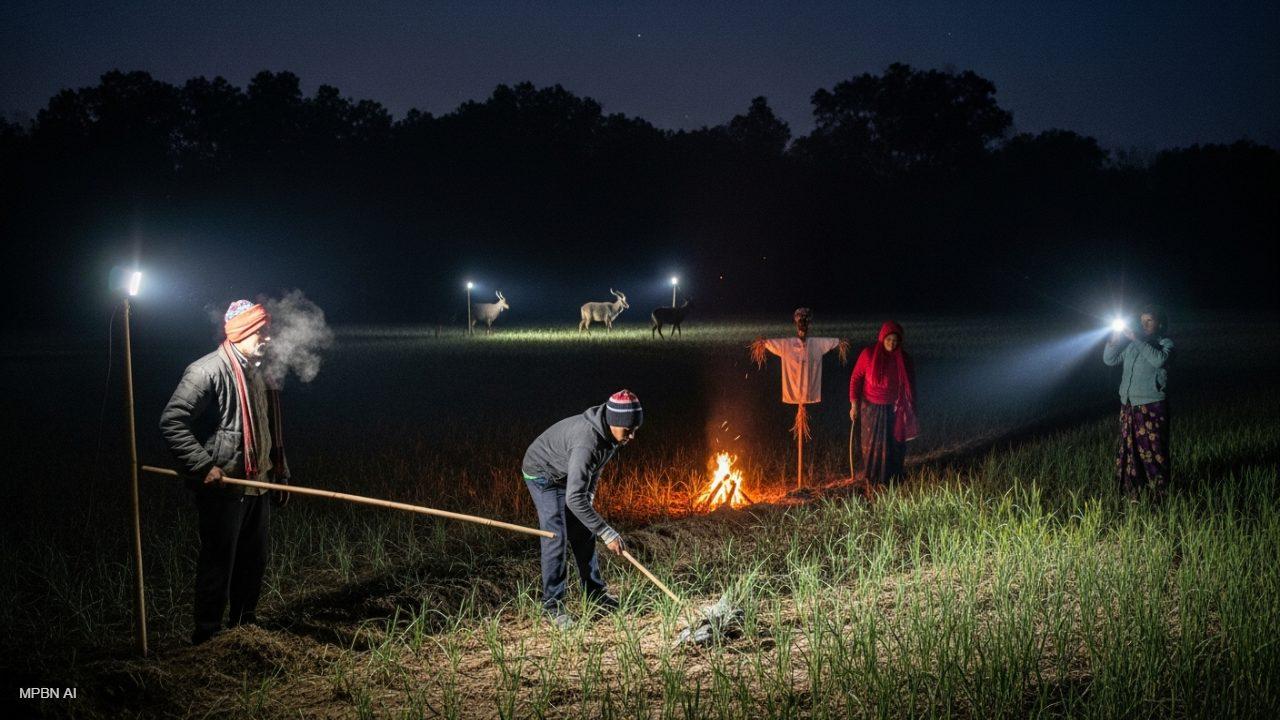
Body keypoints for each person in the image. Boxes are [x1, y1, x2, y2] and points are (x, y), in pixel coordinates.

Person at [160, 300, 291, 645]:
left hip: (258, 484)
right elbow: (172, 422)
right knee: (219, 563)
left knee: (254, 562)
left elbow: (268, 427)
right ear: (243, 333)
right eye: (262, 331)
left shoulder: (261, 371)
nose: (268, 338)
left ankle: (245, 630)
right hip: (225, 488)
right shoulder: (207, 371)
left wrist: (280, 471)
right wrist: (203, 466)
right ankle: (207, 637)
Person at [522, 390, 642, 629]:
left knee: (585, 530)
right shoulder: (587, 441)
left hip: (567, 473)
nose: (632, 436)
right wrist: (607, 532)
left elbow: (593, 472)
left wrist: (589, 500)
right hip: (544, 474)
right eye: (628, 430)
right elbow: (573, 497)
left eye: (635, 430)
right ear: (615, 422)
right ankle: (552, 606)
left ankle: (595, 593)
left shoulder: (611, 435)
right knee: (556, 536)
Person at [750, 308, 850, 486]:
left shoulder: (816, 344)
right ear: (796, 323)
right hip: (794, 391)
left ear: (809, 323)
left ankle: (802, 483)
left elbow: (832, 343)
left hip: (808, 391)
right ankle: (798, 483)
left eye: (805, 320)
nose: (802, 323)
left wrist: (839, 343)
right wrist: (763, 344)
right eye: (799, 320)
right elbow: (770, 344)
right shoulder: (787, 344)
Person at [1104, 305, 1173, 496]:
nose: (1144, 324)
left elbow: (1159, 360)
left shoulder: (1165, 343)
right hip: (1129, 404)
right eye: (1142, 321)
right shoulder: (1133, 345)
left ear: (1160, 324)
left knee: (1153, 450)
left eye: (1149, 320)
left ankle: (1160, 491)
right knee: (1130, 448)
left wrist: (1137, 339)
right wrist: (1113, 341)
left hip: (1152, 405)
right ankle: (1132, 489)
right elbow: (1110, 360)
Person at [848, 321, 918, 486]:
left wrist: (910, 408)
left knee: (894, 444)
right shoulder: (869, 354)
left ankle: (893, 477)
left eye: (895, 340)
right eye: (888, 340)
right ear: (882, 338)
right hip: (871, 407)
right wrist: (854, 404)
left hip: (895, 408)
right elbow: (855, 378)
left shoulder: (904, 358)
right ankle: (872, 477)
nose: (892, 344)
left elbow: (911, 384)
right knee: (873, 445)